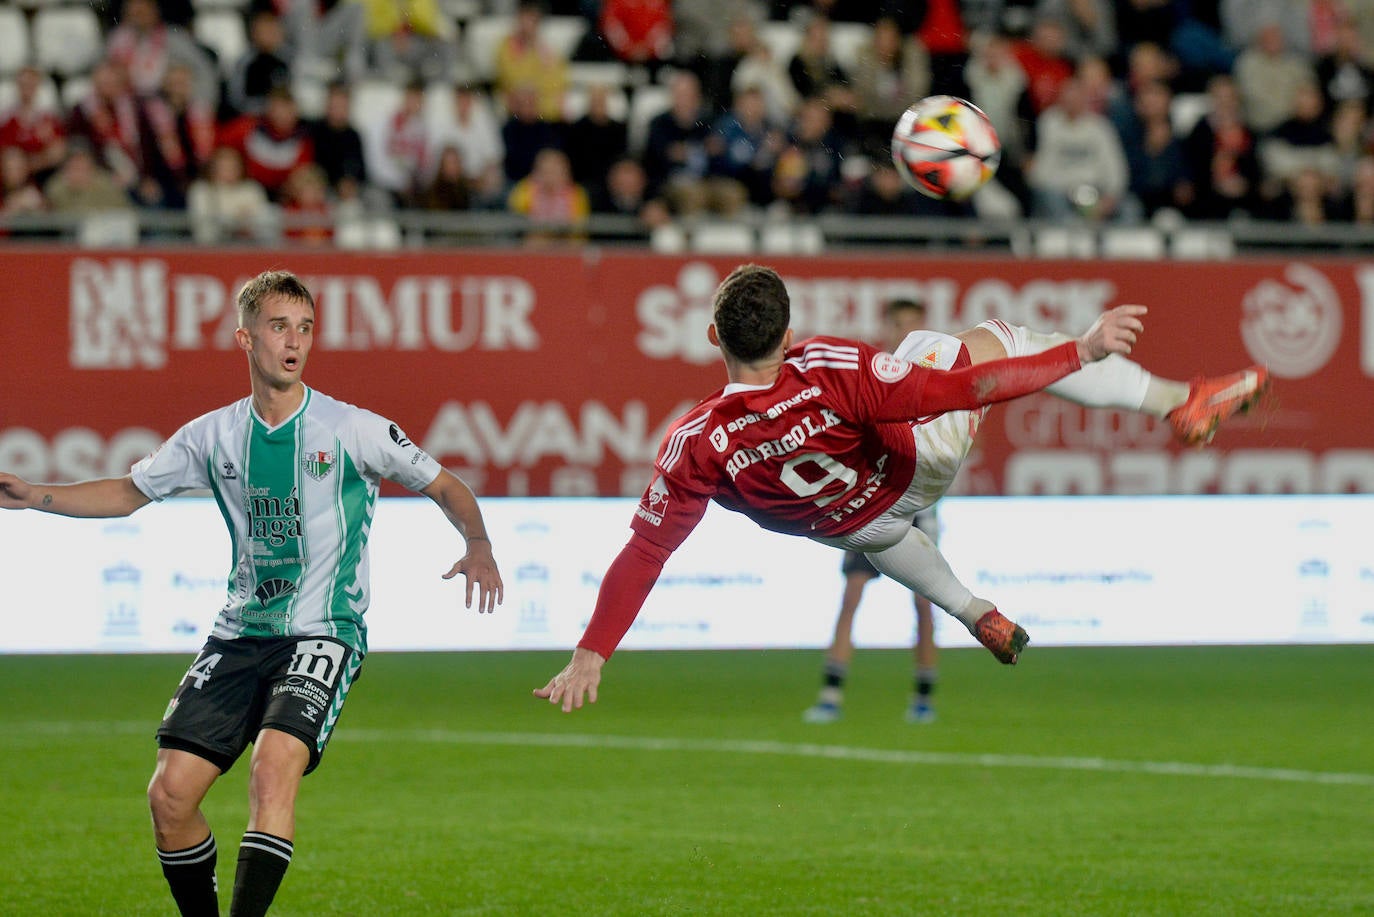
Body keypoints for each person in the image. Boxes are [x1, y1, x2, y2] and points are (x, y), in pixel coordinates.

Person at [535, 264, 1269, 713]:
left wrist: (592, 652)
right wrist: (1080, 349)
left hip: (852, 526)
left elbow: (646, 551)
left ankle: (971, 609)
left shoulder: (694, 441)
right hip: (913, 473)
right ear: (787, 335)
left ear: (710, 337)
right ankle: (1179, 398)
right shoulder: (826, 367)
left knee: (879, 534)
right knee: (983, 341)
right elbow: (965, 389)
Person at [0, 270, 504, 916]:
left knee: (272, 767)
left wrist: (479, 541)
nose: (294, 341)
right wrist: (33, 498)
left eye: (305, 328)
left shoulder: (352, 429)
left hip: (326, 629)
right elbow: (129, 492)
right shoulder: (213, 436)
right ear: (246, 338)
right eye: (278, 326)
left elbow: (444, 484)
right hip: (240, 632)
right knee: (169, 795)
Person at [803, 298, 942, 725]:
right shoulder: (872, 374)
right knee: (852, 597)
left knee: (924, 601)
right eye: (898, 324)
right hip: (872, 504)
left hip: (917, 505)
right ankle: (831, 694)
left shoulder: (937, 379)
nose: (905, 333)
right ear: (887, 328)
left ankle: (923, 697)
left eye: (912, 325)